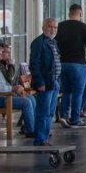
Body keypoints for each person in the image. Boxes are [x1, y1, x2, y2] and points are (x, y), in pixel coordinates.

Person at [55, 4, 86, 129]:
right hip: (78, 64)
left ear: (69, 13)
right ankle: (75, 119)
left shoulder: (60, 26)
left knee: (66, 91)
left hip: (62, 64)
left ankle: (64, 116)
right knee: (78, 92)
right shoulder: (84, 27)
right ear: (81, 14)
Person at [29, 18, 61, 147]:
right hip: (45, 82)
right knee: (43, 111)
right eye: (50, 27)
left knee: (50, 112)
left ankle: (45, 136)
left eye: (55, 27)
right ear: (43, 27)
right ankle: (40, 139)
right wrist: (39, 81)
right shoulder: (38, 43)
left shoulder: (53, 43)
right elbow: (34, 64)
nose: (52, 29)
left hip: (54, 82)